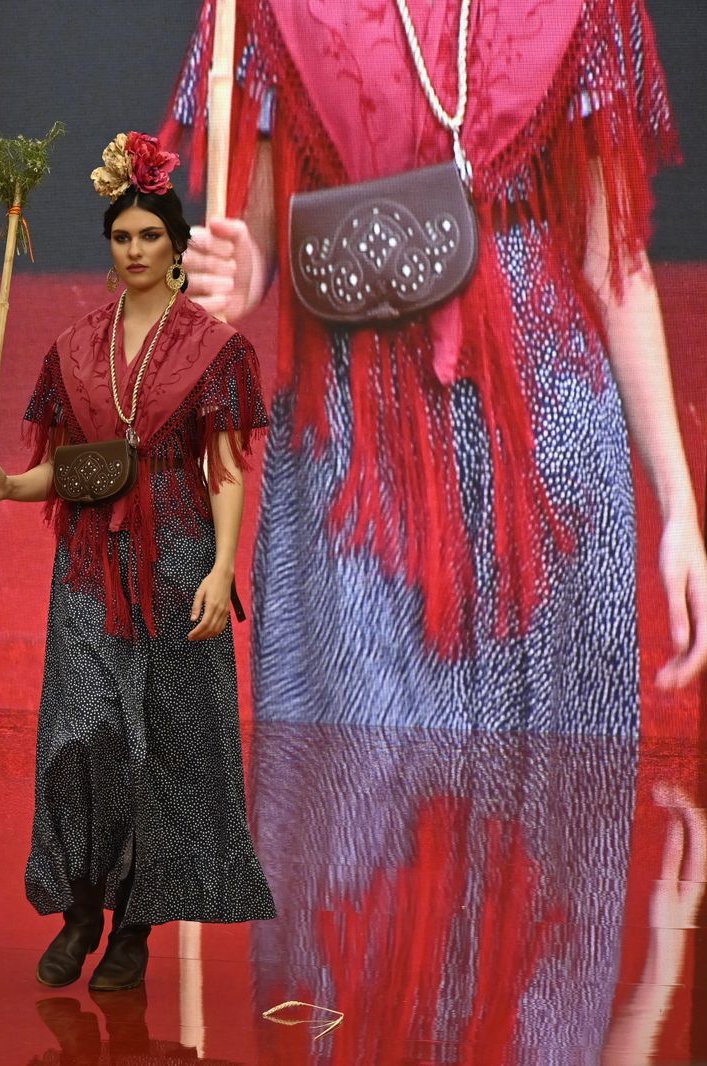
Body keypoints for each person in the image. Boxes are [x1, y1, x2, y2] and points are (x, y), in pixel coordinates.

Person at [165, 0, 707, 731]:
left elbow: (616, 262)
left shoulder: (582, 8)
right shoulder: (276, 10)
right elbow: (260, 237)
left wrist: (679, 508)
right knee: (344, 791)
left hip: (548, 451)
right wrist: (241, 274)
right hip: (356, 457)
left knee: (551, 797)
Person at [0, 133, 276, 993]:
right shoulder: (75, 346)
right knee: (81, 735)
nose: (135, 250)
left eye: (149, 236)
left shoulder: (215, 348)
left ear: (175, 244)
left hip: (177, 563)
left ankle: (135, 926)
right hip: (90, 570)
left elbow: (225, 470)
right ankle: (80, 909)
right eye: (121, 237)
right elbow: (64, 468)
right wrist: (5, 484)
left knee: (164, 747)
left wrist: (221, 570)